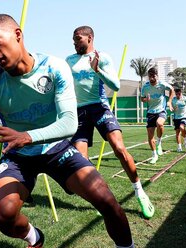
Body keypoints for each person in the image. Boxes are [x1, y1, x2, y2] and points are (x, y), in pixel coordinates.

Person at [0, 14, 166, 248]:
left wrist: (27, 136)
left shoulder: (54, 66)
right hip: (19, 157)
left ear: (18, 34)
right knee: (3, 216)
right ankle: (35, 240)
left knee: (108, 202)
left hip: (58, 149)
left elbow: (69, 123)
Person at [65, 26, 154, 218]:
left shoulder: (102, 57)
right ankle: (99, 196)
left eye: (77, 38)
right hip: (79, 112)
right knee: (81, 162)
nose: (74, 42)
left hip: (100, 107)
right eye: (73, 39)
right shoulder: (69, 61)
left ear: (90, 38)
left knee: (119, 149)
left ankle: (139, 191)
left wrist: (97, 70)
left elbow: (115, 85)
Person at [140, 67, 175, 164]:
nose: (151, 78)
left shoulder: (162, 84)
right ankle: (154, 155)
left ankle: (159, 142)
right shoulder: (145, 87)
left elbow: (172, 89)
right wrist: (145, 99)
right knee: (150, 135)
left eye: (153, 76)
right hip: (151, 112)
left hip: (161, 110)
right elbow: (141, 98)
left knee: (159, 124)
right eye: (150, 76)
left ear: (157, 76)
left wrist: (170, 101)